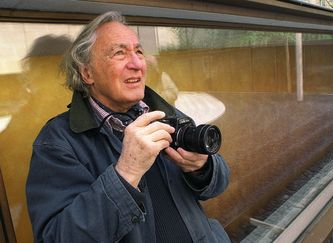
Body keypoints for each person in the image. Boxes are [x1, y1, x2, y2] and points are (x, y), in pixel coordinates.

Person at [26, 11, 230, 243]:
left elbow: (218, 185)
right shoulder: (58, 141)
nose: (137, 64)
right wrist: (127, 172)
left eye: (139, 52)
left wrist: (202, 167)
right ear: (87, 73)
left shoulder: (163, 112)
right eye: (119, 53)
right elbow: (57, 238)